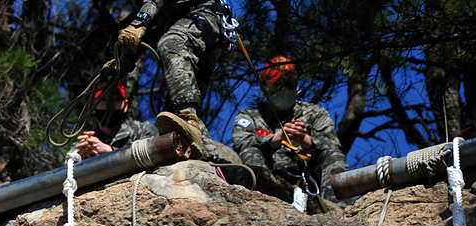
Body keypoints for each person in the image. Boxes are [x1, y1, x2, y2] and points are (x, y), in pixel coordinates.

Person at [115, 0, 238, 158]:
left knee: (171, 43)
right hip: (203, 33)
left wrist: (139, 22)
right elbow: (150, 32)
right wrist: (119, 67)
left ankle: (188, 118)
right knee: (173, 119)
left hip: (204, 18)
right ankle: (209, 158)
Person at [231, 56, 347, 213]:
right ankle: (260, 201)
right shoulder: (249, 116)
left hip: (308, 180)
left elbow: (333, 145)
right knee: (250, 152)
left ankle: (339, 211)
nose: (284, 89)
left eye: (289, 84)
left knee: (333, 155)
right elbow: (241, 144)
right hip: (271, 179)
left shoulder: (315, 113)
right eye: (277, 85)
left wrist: (306, 141)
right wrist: (275, 139)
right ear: (264, 89)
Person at [75, 84, 159, 159]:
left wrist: (110, 151)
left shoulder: (143, 131)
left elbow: (152, 157)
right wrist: (79, 160)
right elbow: (67, 171)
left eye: (116, 100)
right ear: (92, 107)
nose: (109, 105)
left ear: (125, 105)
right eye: (103, 99)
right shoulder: (87, 144)